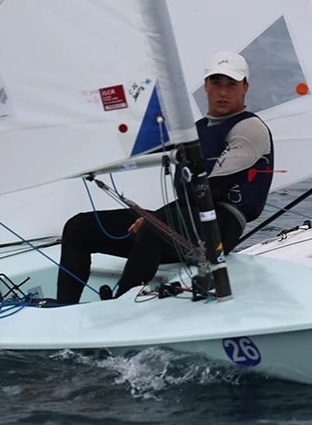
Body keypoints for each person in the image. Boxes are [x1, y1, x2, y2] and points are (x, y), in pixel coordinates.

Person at [54, 51, 274, 304]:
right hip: (183, 220)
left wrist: (155, 220)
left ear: (245, 87)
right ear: (205, 85)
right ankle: (64, 309)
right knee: (79, 227)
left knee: (152, 228)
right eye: (216, 83)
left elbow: (211, 191)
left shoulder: (249, 128)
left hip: (221, 226)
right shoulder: (196, 130)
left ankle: (120, 307)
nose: (223, 92)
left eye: (231, 84)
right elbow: (139, 151)